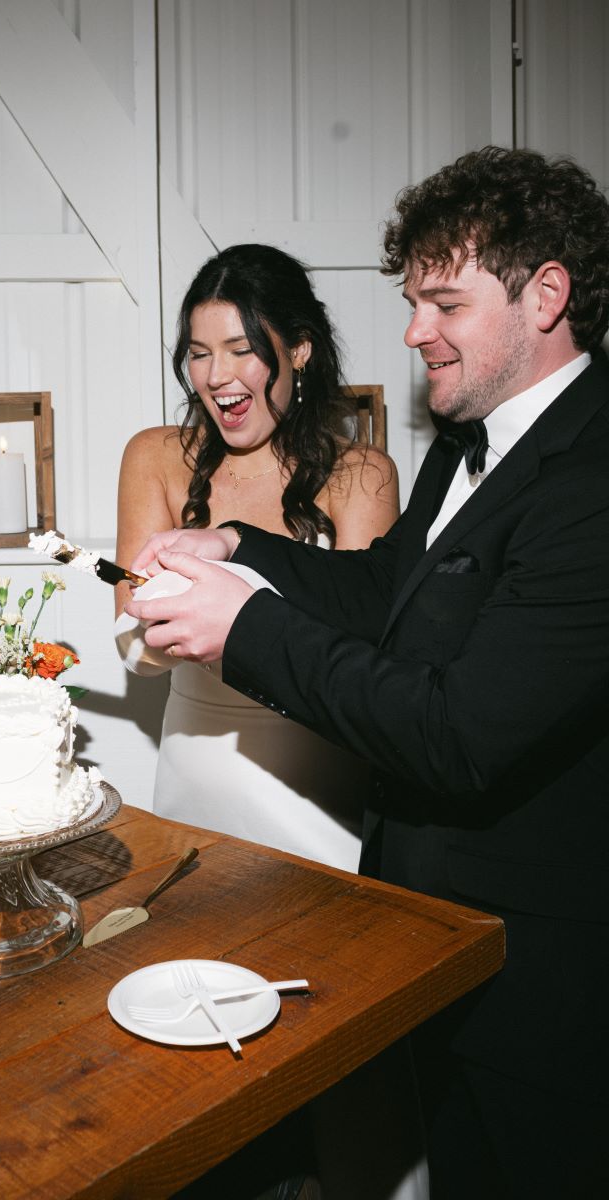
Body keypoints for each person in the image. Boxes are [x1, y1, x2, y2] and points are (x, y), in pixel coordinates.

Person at [124, 146, 609, 1199]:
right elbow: (386, 586)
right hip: (431, 937)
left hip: (542, 982)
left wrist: (242, 627)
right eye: (408, 301)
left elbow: (459, 735)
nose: (410, 332)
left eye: (441, 302)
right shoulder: (465, 440)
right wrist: (240, 553)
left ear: (545, 296)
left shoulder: (591, 477)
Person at [114, 242, 399, 870]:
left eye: (242, 350)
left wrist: (230, 619)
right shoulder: (153, 457)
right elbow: (134, 648)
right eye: (199, 353)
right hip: (195, 776)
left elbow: (367, 650)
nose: (217, 375)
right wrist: (159, 626)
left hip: (319, 789)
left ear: (299, 349)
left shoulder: (364, 475)